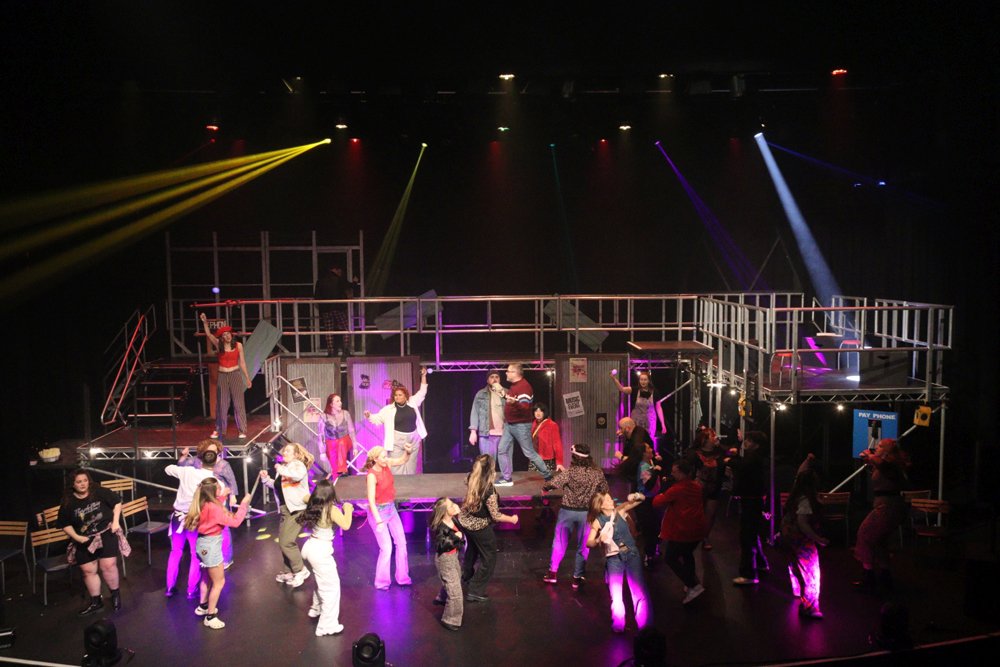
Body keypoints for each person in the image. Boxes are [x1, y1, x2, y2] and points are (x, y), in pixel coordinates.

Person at [184, 478, 251, 629]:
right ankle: (210, 616)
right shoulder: (214, 508)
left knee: (206, 578)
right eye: (219, 489)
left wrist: (223, 496)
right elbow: (235, 522)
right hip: (211, 546)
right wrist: (244, 504)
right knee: (219, 582)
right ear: (213, 491)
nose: (221, 490)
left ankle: (203, 606)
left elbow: (214, 507)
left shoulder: (203, 502)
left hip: (201, 544)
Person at [59, 469, 124, 616]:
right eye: (79, 482)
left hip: (105, 533)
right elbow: (64, 524)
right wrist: (77, 537)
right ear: (73, 484)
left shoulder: (99, 492)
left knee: (108, 566)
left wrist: (115, 522)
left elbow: (117, 503)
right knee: (88, 571)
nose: (83, 484)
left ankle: (115, 595)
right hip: (84, 539)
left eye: (85, 481)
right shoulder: (68, 502)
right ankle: (96, 601)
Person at [542, 443, 608, 588]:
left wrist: (545, 488)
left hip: (567, 512)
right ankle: (577, 577)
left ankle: (553, 573)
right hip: (587, 514)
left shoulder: (569, 472)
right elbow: (604, 489)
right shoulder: (597, 473)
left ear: (574, 457)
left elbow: (553, 484)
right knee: (583, 545)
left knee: (559, 542)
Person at [457, 454, 519, 602]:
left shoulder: (471, 477)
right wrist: (512, 519)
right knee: (489, 557)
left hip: (466, 522)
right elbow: (495, 515)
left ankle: (466, 577)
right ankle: (475, 590)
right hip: (478, 526)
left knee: (472, 550)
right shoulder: (488, 490)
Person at [586, 490, 649, 633]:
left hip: (632, 554)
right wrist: (598, 539)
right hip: (614, 558)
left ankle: (644, 628)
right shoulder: (598, 521)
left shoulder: (619, 511)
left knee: (639, 592)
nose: (611, 501)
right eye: (607, 500)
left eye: (610, 499)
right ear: (600, 506)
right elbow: (589, 542)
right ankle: (619, 625)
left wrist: (636, 496)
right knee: (616, 595)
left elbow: (642, 499)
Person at [298, 479, 354, 636]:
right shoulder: (331, 510)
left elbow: (304, 497)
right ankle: (326, 626)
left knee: (319, 582)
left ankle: (316, 608)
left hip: (309, 548)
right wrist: (348, 509)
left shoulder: (313, 502)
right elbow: (346, 525)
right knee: (331, 589)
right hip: (320, 552)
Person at [854, 438, 910, 593]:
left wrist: (869, 455)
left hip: (888, 506)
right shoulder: (886, 464)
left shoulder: (891, 465)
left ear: (886, 450)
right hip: (885, 505)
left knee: (865, 534)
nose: (876, 448)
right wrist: (870, 460)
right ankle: (885, 577)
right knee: (880, 541)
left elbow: (883, 466)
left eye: (879, 446)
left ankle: (869, 576)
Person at [653, 459, 709, 605]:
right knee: (687, 554)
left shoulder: (677, 489)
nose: (672, 474)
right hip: (697, 529)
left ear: (683, 473)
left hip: (682, 530)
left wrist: (661, 491)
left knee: (670, 558)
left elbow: (657, 502)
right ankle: (690, 583)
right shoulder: (697, 486)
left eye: (675, 471)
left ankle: (693, 586)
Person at [780, 455, 829, 619]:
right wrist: (818, 538)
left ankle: (797, 590)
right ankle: (810, 607)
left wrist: (806, 461)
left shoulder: (796, 494)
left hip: (788, 536)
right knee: (811, 572)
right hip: (801, 539)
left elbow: (800, 475)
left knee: (794, 564)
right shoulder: (806, 500)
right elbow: (803, 523)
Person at [164, 448, 218, 598]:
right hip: (196, 519)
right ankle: (191, 590)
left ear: (200, 460)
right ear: (215, 462)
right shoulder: (212, 480)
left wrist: (182, 458)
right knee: (195, 554)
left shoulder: (187, 471)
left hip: (178, 518)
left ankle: (169, 587)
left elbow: (168, 469)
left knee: (175, 552)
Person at [259, 442, 314, 588]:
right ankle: (288, 571)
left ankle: (301, 570)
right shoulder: (284, 468)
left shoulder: (298, 465)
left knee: (286, 542)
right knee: (283, 541)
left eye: (288, 451)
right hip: (285, 509)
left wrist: (281, 468)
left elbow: (296, 476)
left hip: (297, 509)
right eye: (284, 451)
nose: (284, 453)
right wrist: (266, 479)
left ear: (296, 454)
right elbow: (278, 486)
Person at [178, 439, 239, 568]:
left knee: (224, 528)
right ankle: (208, 557)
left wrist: (232, 495)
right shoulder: (196, 461)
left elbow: (231, 480)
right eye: (210, 450)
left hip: (219, 498)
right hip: (204, 500)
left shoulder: (222, 464)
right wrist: (183, 455)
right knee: (207, 528)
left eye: (215, 450)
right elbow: (181, 465)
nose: (213, 452)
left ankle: (227, 558)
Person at [364, 445, 414, 590]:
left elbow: (402, 460)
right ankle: (381, 582)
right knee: (386, 548)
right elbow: (371, 500)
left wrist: (408, 452)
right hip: (378, 512)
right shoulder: (372, 475)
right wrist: (379, 521)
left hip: (391, 509)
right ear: (375, 459)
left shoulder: (388, 464)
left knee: (402, 543)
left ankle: (402, 577)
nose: (386, 459)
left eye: (386, 456)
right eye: (383, 457)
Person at [363, 368, 428, 475]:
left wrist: (424, 376)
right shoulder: (389, 409)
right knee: (396, 468)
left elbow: (422, 392)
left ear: (405, 395)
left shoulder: (412, 402)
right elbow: (377, 419)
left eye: (400, 395)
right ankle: (398, 484)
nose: (397, 397)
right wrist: (369, 416)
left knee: (411, 468)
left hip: (413, 439)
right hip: (397, 441)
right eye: (395, 395)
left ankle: (410, 484)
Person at [496, 363, 551, 486]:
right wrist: (505, 396)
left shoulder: (524, 387)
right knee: (502, 449)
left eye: (508, 371)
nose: (506, 373)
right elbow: (514, 401)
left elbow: (525, 408)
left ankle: (548, 475)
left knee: (529, 452)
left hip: (521, 425)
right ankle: (506, 478)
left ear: (515, 373)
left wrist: (513, 403)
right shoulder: (515, 386)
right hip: (510, 424)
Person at [200, 312, 252, 440]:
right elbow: (209, 335)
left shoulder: (238, 345)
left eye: (228, 334)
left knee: (239, 404)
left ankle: (242, 430)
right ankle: (219, 430)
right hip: (222, 375)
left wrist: (247, 378)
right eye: (224, 335)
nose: (227, 336)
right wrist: (205, 322)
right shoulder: (219, 345)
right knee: (222, 405)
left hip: (235, 374)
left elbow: (242, 362)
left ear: (231, 334)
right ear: (222, 338)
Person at [727, 430, 769, 585]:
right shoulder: (756, 458)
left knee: (747, 536)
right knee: (752, 534)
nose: (746, 442)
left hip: (751, 500)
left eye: (749, 440)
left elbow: (742, 466)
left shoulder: (753, 459)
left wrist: (730, 460)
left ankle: (749, 574)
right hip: (753, 500)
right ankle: (761, 563)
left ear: (756, 445)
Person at [430, 497, 465, 631]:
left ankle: (442, 597)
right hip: (445, 560)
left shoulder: (453, 520)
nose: (454, 505)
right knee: (456, 593)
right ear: (445, 512)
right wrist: (456, 537)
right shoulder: (440, 527)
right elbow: (441, 545)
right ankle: (450, 620)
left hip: (453, 556)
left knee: (456, 579)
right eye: (451, 505)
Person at [687, 426, 725, 549]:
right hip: (699, 486)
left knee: (710, 514)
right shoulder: (695, 453)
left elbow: (729, 454)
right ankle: (693, 535)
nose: (715, 437)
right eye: (712, 435)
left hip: (715, 486)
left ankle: (705, 536)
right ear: (704, 440)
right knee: (698, 512)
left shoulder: (719, 452)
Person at [610, 370, 664, 440]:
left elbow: (659, 408)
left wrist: (663, 424)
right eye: (641, 379)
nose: (643, 382)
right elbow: (622, 389)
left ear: (648, 381)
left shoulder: (655, 392)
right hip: (636, 421)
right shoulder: (635, 390)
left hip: (650, 422)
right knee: (636, 440)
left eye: (645, 380)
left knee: (648, 441)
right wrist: (614, 378)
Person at [314, 262, 352, 357]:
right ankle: (346, 350)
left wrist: (322, 307)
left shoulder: (320, 281)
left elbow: (316, 297)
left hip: (326, 309)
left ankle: (331, 351)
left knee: (329, 330)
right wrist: (355, 282)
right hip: (338, 308)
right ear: (334, 269)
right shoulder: (338, 280)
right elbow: (348, 286)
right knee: (346, 328)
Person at [468, 371, 505, 464]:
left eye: (497, 377)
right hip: (486, 434)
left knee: (505, 463)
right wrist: (473, 432)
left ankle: (506, 475)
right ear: (487, 380)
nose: (495, 379)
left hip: (504, 434)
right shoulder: (481, 394)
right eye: (492, 377)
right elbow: (474, 413)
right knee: (487, 463)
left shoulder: (506, 393)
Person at [320, 393, 357, 477]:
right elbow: (320, 435)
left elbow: (351, 430)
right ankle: (336, 477)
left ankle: (342, 468)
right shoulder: (324, 416)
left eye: (340, 401)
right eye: (337, 401)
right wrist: (322, 452)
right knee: (334, 464)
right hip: (331, 442)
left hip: (345, 440)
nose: (340, 403)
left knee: (341, 443)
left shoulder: (345, 413)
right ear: (331, 404)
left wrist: (355, 447)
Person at [615, 417, 656, 491]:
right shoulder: (636, 432)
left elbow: (636, 459)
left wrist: (621, 457)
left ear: (627, 428)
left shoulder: (637, 440)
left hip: (642, 472)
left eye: (621, 428)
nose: (618, 431)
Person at [530, 402, 564, 473]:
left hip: (546, 460)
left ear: (544, 412)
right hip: (534, 458)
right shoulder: (533, 424)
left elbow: (557, 444)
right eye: (536, 411)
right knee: (532, 479)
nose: (538, 413)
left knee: (546, 479)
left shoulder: (552, 425)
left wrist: (559, 462)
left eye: (540, 411)